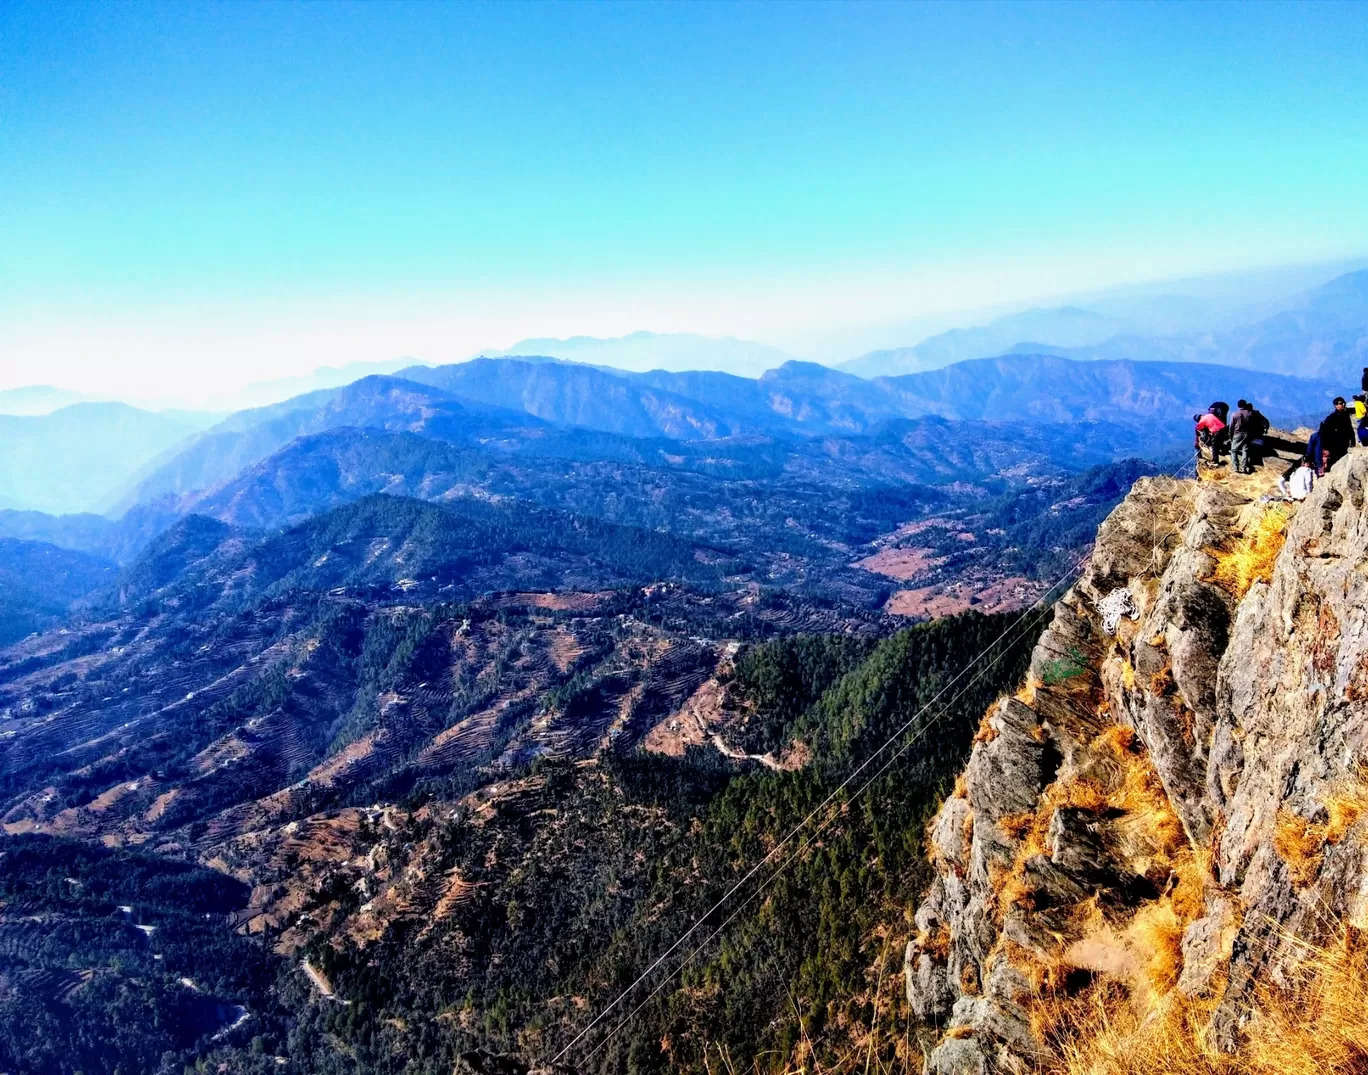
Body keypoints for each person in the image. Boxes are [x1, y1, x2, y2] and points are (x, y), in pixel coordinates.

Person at [1318, 397, 1355, 473]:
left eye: (1343, 403)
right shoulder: (1332, 418)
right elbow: (1323, 432)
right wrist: (1325, 447)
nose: (1343, 405)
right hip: (1334, 444)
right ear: (1336, 405)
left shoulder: (1345, 415)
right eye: (1340, 403)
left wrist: (1352, 440)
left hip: (1344, 443)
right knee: (1334, 462)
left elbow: (1349, 428)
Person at [1228, 399, 1256, 474]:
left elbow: (1231, 426)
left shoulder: (1235, 414)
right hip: (1247, 434)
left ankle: (1235, 467)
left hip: (1237, 434)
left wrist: (1230, 435)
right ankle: (1244, 467)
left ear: (1238, 406)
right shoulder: (1250, 414)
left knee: (1234, 450)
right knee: (1245, 450)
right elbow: (1253, 425)